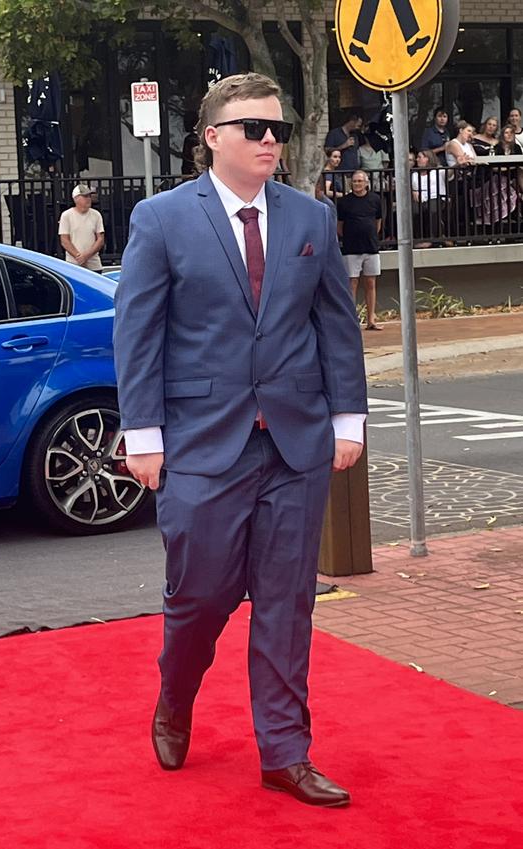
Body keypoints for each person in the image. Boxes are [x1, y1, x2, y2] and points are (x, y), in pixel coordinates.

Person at [113, 72, 367, 808]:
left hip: (295, 443)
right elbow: (139, 335)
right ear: (213, 138)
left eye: (278, 130)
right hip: (199, 443)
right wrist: (144, 435)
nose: (269, 141)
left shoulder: (311, 218)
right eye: (254, 128)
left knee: (288, 604)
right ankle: (175, 694)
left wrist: (345, 420)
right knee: (200, 596)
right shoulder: (161, 219)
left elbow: (335, 327)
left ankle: (285, 752)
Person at [337, 169, 383, 330]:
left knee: (371, 282)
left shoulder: (375, 199)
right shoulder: (344, 202)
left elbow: (378, 222)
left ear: (366, 183)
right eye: (355, 181)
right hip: (351, 248)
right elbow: (340, 226)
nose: (357, 184)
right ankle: (352, 320)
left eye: (360, 181)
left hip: (371, 246)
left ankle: (371, 319)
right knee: (352, 283)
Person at [58, 183, 105, 271]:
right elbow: (64, 240)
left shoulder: (96, 215)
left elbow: (100, 239)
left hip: (94, 264)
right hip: (73, 265)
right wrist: (78, 256)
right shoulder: (66, 215)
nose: (88, 199)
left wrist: (86, 255)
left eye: (89, 196)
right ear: (76, 199)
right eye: (85, 196)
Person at [411, 150, 446, 247]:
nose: (417, 159)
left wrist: (457, 164)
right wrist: (413, 191)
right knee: (415, 211)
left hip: (436, 197)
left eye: (419, 157)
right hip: (421, 199)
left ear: (427, 159)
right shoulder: (414, 174)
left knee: (432, 209)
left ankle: (432, 239)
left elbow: (450, 173)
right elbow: (411, 187)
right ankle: (418, 239)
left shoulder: (438, 171)